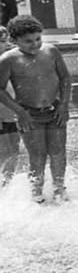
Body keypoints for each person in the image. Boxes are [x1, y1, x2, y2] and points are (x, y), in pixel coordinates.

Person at [0, 16, 70, 203]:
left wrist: (64, 105)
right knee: (37, 154)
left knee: (58, 151)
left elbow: (65, 78)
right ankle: (36, 192)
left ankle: (59, 189)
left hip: (54, 110)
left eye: (38, 39)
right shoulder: (9, 59)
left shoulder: (51, 52)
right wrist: (19, 112)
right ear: (15, 41)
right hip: (29, 114)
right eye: (28, 41)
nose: (35, 44)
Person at [0, 27, 20, 187]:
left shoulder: (9, 62)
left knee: (13, 151)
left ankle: (6, 187)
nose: (7, 45)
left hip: (11, 114)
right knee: (4, 152)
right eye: (2, 42)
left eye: (7, 41)